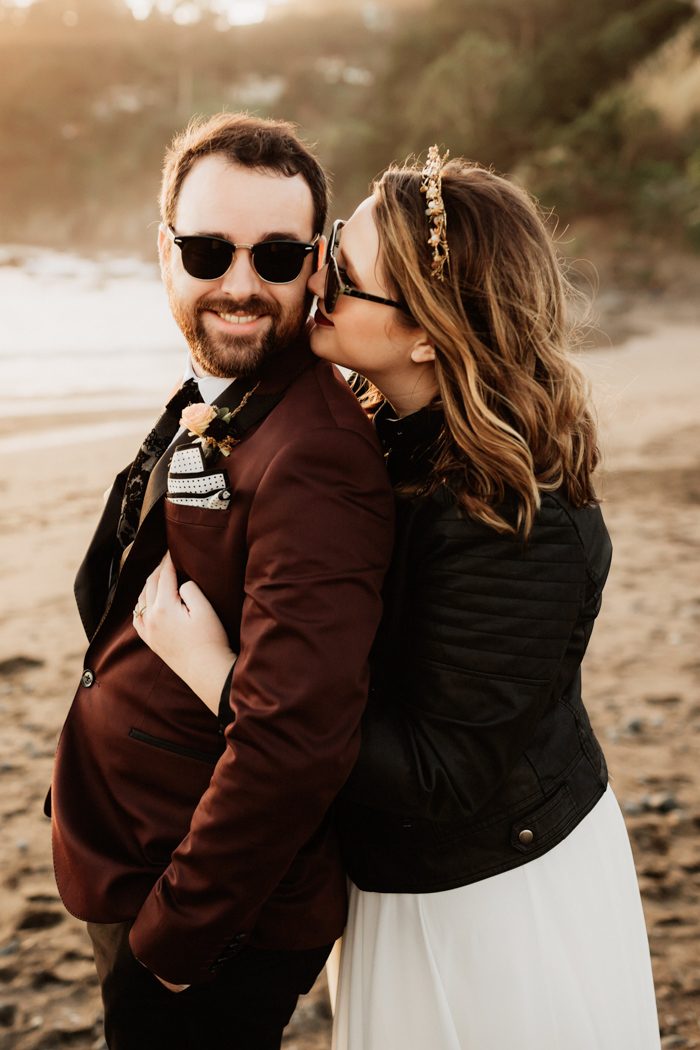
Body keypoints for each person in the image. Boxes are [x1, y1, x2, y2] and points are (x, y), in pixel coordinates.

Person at [135, 148, 661, 1049]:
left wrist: (222, 678)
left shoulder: (514, 515)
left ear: (426, 334)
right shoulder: (385, 426)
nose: (316, 280)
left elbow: (444, 778)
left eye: (344, 276)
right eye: (330, 248)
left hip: (484, 899)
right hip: (394, 871)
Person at [47, 112, 394, 1050]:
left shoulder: (316, 454)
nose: (241, 284)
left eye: (277, 258)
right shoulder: (224, 395)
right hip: (142, 857)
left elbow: (296, 743)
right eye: (207, 250)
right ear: (164, 252)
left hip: (213, 913)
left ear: (318, 265)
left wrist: (175, 936)